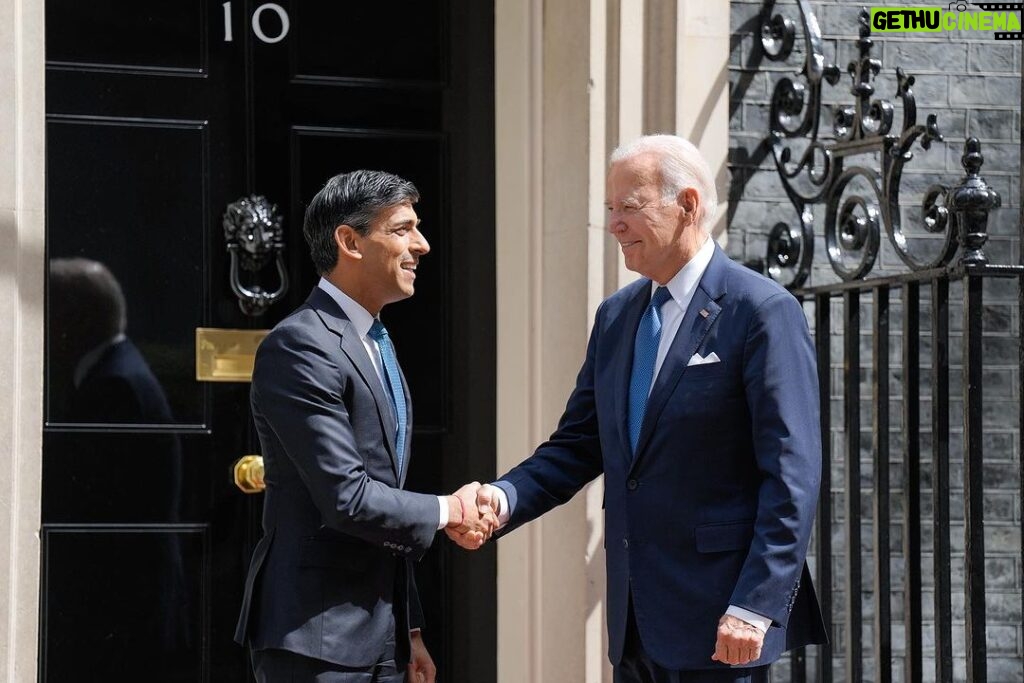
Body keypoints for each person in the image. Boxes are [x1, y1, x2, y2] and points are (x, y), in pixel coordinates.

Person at [452, 135, 827, 682]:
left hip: (725, 624)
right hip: (634, 622)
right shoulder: (616, 317)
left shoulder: (762, 311)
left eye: (629, 207)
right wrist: (502, 499)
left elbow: (792, 477)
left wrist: (756, 605)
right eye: (610, 210)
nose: (614, 225)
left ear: (689, 206)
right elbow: (579, 445)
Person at [235, 170, 495, 683]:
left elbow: (386, 491)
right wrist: (451, 509)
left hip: (381, 636)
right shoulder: (301, 345)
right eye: (402, 229)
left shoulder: (376, 340)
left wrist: (410, 630)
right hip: (317, 639)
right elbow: (348, 497)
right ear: (349, 241)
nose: (420, 244)